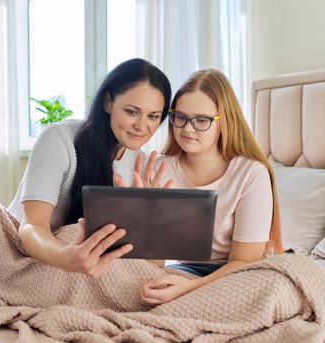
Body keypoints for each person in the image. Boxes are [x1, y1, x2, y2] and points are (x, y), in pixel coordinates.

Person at [117, 69, 283, 305]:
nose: (187, 128)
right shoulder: (158, 168)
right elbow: (153, 265)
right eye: (180, 117)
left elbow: (245, 261)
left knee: (282, 282)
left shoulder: (251, 174)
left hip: (233, 275)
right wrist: (148, 222)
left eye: (202, 120)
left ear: (224, 121)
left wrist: (188, 289)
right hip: (180, 272)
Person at [7, 58, 172, 277]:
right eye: (132, 111)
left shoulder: (143, 166)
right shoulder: (59, 139)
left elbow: (155, 265)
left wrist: (149, 219)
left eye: (153, 116)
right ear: (108, 103)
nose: (142, 126)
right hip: (26, 254)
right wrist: (65, 258)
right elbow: (31, 227)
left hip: (80, 271)